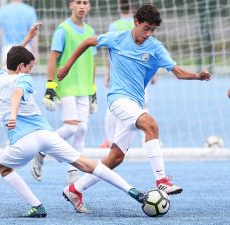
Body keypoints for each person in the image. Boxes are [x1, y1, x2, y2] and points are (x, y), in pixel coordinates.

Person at [57, 4, 211, 212]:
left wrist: (197, 76)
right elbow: (87, 42)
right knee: (151, 124)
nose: (149, 34)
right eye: (146, 28)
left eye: (152, 30)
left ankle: (75, 189)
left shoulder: (155, 47)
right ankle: (161, 180)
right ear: (136, 23)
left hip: (134, 103)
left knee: (115, 158)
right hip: (118, 100)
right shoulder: (117, 38)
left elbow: (177, 72)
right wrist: (67, 65)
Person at [0, 23, 147, 217]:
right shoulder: (24, 79)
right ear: (22, 67)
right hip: (46, 134)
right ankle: (132, 191)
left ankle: (37, 206)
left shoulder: (0, 77)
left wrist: (28, 39)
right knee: (86, 163)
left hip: (24, 141)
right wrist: (14, 115)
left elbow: (13, 62)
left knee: (3, 167)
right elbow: (17, 94)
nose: (31, 71)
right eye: (30, 67)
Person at [31, 0, 96, 184]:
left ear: (89, 6)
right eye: (78, 2)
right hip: (66, 86)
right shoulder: (63, 30)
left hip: (83, 87)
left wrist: (93, 89)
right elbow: (53, 59)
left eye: (86, 3)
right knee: (71, 127)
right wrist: (50, 86)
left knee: (82, 129)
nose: (82, 6)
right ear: (71, 5)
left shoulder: (91, 32)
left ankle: (73, 173)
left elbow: (91, 61)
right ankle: (42, 150)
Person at [99, 0, 156, 149]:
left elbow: (110, 51)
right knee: (143, 106)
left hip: (121, 76)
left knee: (114, 107)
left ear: (119, 7)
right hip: (141, 74)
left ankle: (110, 140)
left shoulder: (114, 26)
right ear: (132, 8)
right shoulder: (144, 24)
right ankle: (147, 141)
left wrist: (108, 73)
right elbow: (151, 53)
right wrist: (154, 75)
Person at [0, 0, 39, 67]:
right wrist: (35, 52)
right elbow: (34, 32)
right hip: (26, 49)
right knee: (24, 76)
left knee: (6, 76)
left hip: (9, 50)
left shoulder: (3, 10)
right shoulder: (30, 10)